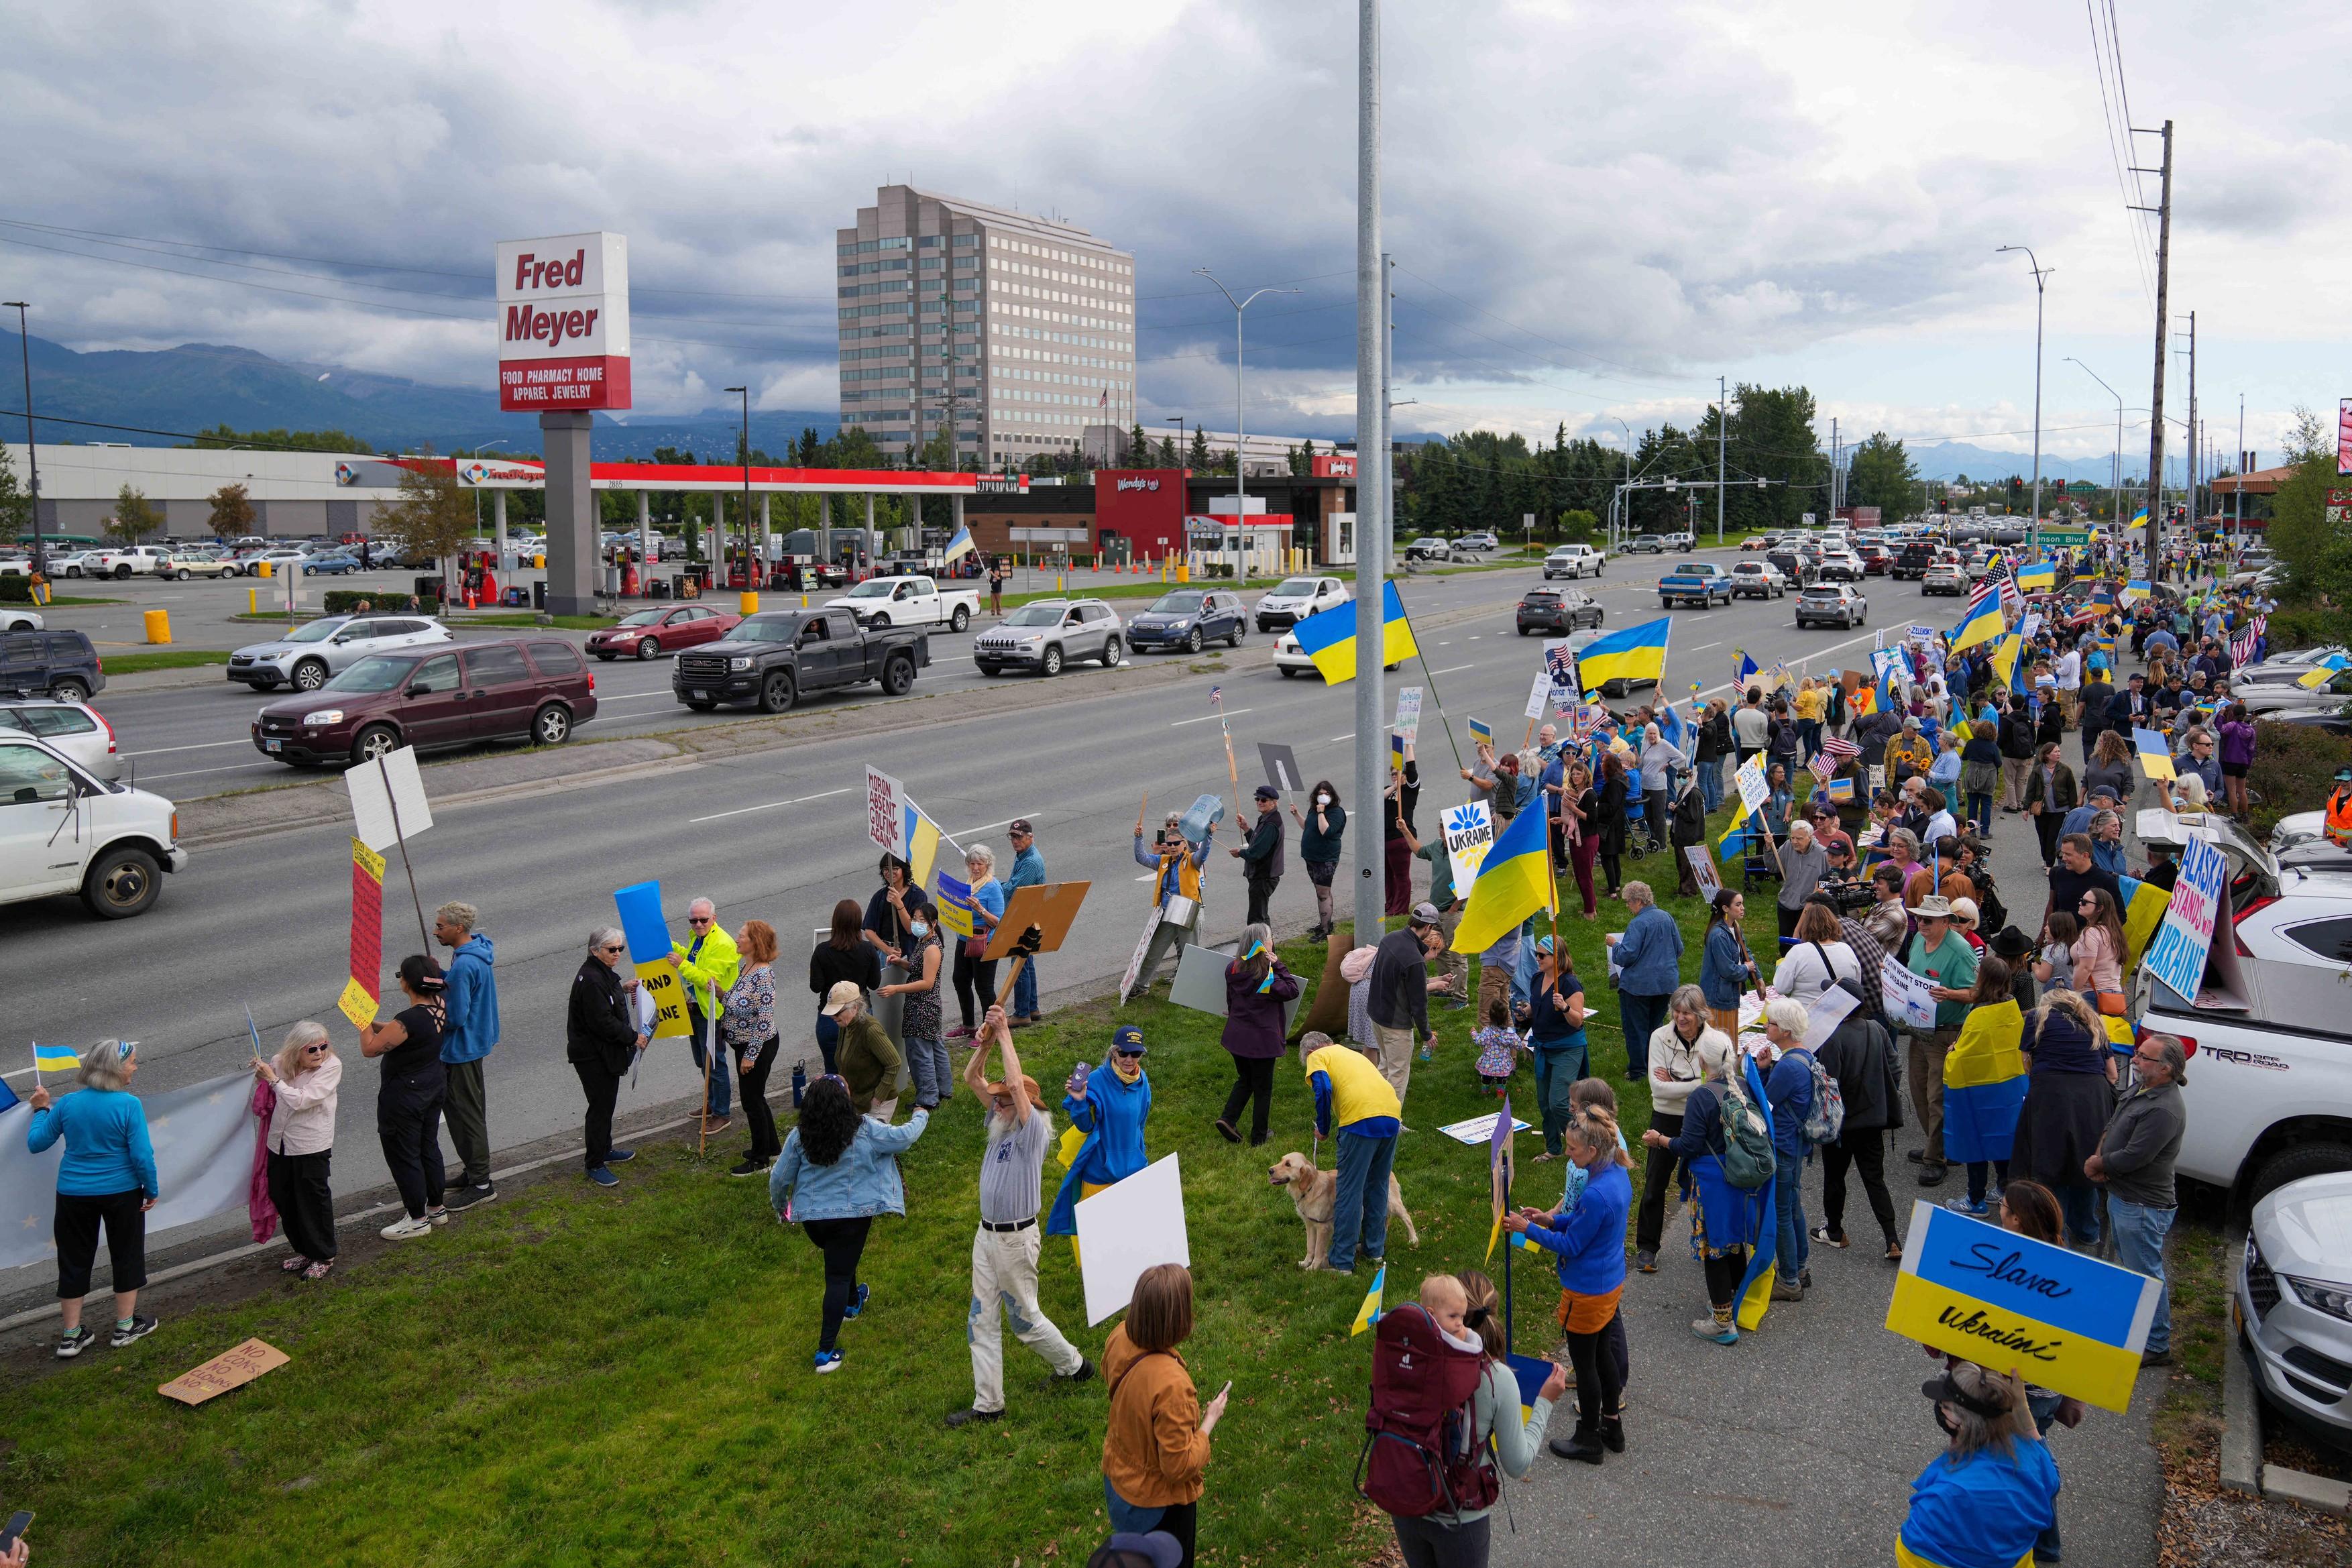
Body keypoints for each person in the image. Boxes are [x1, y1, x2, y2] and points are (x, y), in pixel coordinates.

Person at [948, 1005, 1091, 1429]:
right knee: (981, 1318)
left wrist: (1005, 1033)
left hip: (1015, 1240)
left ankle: (1075, 1365)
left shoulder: (1033, 1133)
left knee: (1024, 1320)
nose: (996, 1105)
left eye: (1005, 1101)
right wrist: (985, 1043)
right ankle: (988, 1405)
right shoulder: (1000, 1124)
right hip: (986, 1237)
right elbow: (972, 1078)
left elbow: (1013, 1083)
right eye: (997, 1101)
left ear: (1023, 1104)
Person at [1381, 1271, 1563, 1566]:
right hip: (1460, 1516)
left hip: (1406, 1500)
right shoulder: (1496, 1377)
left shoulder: (1409, 1356)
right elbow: (1517, 1464)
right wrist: (1545, 1402)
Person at [769, 1076, 930, 1374]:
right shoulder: (865, 1129)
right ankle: (825, 1353)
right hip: (852, 1218)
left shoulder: (799, 1136)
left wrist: (781, 1209)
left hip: (814, 1222)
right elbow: (904, 1137)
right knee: (837, 1277)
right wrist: (921, 1114)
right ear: (846, 1101)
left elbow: (779, 1178)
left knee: (840, 1260)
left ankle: (854, 1301)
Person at [1504, 1109, 1633, 1464]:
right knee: (1603, 1355)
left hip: (1587, 1291)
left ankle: (1589, 1438)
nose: (1568, 1153)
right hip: (1610, 1282)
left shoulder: (1596, 1194)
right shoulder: (1616, 1173)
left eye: (1573, 1149)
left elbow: (1573, 1245)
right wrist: (1551, 1219)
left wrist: (1529, 1229)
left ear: (1592, 1150)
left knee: (1586, 1365)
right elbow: (1584, 1224)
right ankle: (1612, 1426)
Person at [27, 1040, 160, 1357]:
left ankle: (71, 1336)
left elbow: (36, 1143)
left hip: (73, 1193)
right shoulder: (129, 1105)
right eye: (132, 1062)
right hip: (122, 1192)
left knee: (74, 1259)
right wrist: (151, 1189)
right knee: (126, 1254)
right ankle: (125, 1328)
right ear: (116, 1069)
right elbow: (142, 1155)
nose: (136, 1067)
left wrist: (41, 1110)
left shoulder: (68, 1104)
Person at [1101, 1264, 1225, 1567]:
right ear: (1178, 1318)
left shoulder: (1119, 1337)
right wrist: (1209, 1422)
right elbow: (1178, 1466)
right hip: (1156, 1506)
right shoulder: (1172, 1386)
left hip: (1119, 1484)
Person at [1642, 1051, 1766, 1344]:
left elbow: (1690, 1145)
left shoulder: (1702, 1095)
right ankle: (1735, 1300)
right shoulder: (1740, 1085)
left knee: (1715, 1248)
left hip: (1712, 1184)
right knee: (1733, 1242)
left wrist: (1660, 1140)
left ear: (1702, 1062)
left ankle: (1722, 1322)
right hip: (1738, 1176)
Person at [2089, 1033, 2188, 1367]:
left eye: (2144, 1057)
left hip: (2142, 1206)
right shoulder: (2142, 1088)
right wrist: (2101, 1157)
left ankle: (2157, 1345)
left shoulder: (2164, 1110)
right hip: (2123, 1196)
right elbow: (2113, 1122)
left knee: (2147, 1276)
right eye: (2138, 1053)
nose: (2135, 1059)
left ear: (2166, 1069)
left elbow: (2136, 1156)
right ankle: (2134, 1325)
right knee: (2133, 1269)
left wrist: (2099, 1165)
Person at [1899, 1364, 2061, 1568]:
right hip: (2013, 1559)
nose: (1940, 1408)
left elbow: (1919, 1531)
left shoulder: (1952, 1487)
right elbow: (2053, 1477)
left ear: (1964, 1421)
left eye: (1945, 1406)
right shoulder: (2032, 1455)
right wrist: (2022, 1410)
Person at [1634, 985, 1732, 1272]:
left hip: (1704, 1116)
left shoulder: (1717, 1040)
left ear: (1701, 1014)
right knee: (1655, 1183)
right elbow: (1658, 1089)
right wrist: (1701, 1083)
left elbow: (1727, 1079)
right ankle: (1647, 1247)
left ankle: (1716, 1243)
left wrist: (1677, 1081)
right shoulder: (1659, 1037)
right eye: (1676, 1011)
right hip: (1666, 1116)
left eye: (1687, 1012)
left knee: (1710, 1180)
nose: (1680, 1017)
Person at [2009, 987, 2115, 1248]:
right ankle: (2088, 1231)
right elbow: (2112, 1074)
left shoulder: (2038, 1017)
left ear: (2049, 1003)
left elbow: (2025, 1062)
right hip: (2092, 1099)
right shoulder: (2095, 1022)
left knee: (2050, 1165)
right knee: (2085, 1164)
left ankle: (2057, 1235)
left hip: (2051, 1097)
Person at [1811, 976, 1903, 1260]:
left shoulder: (1833, 1038)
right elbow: (1895, 1067)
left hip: (1842, 1126)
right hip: (1873, 1121)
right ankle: (1892, 1239)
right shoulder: (1877, 1029)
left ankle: (1835, 1231)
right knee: (1875, 1180)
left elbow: (1828, 1084)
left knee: (1835, 1178)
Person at [361, 954, 453, 1237]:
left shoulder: (409, 1019)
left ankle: (416, 1219)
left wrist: (361, 1022)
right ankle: (436, 1208)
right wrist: (375, 1023)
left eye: (400, 975)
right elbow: (398, 1032)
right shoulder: (439, 1005)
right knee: (428, 1147)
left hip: (405, 1096)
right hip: (432, 1087)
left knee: (404, 1155)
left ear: (408, 983)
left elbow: (370, 1049)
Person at [1049, 1025, 1156, 1258]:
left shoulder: (1142, 1081)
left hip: (1133, 1173)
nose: (1129, 1060)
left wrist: (1140, 1156)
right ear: (1114, 1052)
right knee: (1099, 1248)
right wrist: (1079, 1101)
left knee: (1130, 1245)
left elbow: (1140, 1125)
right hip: (1100, 1175)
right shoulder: (1096, 1080)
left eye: (1136, 1054)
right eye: (1124, 1053)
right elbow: (1085, 1126)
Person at [1304, 1032, 1403, 1271]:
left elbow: (1323, 1088)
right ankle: (1374, 1250)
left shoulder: (1317, 1056)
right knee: (1378, 1184)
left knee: (1349, 1188)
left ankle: (1341, 1261)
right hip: (1392, 1115)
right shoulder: (1350, 1054)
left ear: (1311, 1051)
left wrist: (1323, 1128)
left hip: (1360, 1119)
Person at [251, 1021, 341, 1280]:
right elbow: (268, 1087)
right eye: (312, 1049)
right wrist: (261, 1074)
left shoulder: (332, 1066)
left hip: (310, 1145)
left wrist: (273, 1080)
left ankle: (323, 1255)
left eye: (323, 1046)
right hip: (279, 1142)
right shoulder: (280, 1062)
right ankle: (304, 1250)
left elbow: (301, 1100)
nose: (319, 1053)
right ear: (296, 1049)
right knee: (283, 1197)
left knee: (313, 1201)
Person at [1901, 897, 1979, 1189]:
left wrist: (1950, 994)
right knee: (1919, 1089)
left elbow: (1976, 992)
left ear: (1946, 923)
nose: (1920, 924)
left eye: (1928, 920)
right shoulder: (1919, 941)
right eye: (1918, 918)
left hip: (1946, 1032)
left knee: (1937, 1097)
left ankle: (1936, 1159)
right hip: (1920, 1028)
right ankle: (1939, 1146)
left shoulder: (1961, 951)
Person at [567, 928, 649, 1188]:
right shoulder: (592, 980)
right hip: (593, 1056)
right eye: (611, 949)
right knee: (600, 1109)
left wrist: (622, 989)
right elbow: (602, 1022)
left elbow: (605, 1000)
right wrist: (633, 1037)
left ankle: (605, 1149)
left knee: (606, 1105)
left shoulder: (600, 973)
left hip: (601, 1053)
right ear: (595, 951)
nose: (617, 954)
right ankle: (594, 1163)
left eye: (620, 949)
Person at [433, 900, 500, 1211]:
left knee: (466, 1118)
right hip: (475, 1043)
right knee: (470, 1113)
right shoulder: (476, 951)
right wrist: (440, 975)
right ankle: (474, 1171)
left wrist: (427, 1017)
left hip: (461, 1049)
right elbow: (463, 987)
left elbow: (456, 1016)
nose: (436, 932)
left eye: (440, 927)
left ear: (458, 928)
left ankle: (482, 1184)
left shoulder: (463, 965)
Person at [1215, 923, 1299, 1146]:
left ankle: (1228, 1119)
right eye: (1271, 937)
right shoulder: (1267, 976)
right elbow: (1292, 990)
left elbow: (1231, 999)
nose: (1273, 940)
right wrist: (1278, 964)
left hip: (1236, 1037)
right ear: (1263, 944)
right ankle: (1259, 1136)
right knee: (1263, 1088)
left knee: (1246, 1079)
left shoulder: (1233, 968)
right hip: (1262, 1042)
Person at [1754, 1003, 1817, 1300]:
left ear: (1786, 1031)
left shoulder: (1789, 1067)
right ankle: (1800, 1268)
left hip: (1783, 1147)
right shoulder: (1805, 1057)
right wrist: (1767, 1069)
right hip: (1796, 1144)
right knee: (1792, 1207)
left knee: (1781, 1212)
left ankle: (1789, 1280)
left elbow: (1764, 1104)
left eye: (1771, 1023)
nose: (1766, 1026)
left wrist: (1761, 1073)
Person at [674, 896, 741, 1136]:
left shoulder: (722, 943)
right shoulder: (699, 938)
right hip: (696, 1008)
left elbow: (708, 980)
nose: (698, 925)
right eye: (693, 921)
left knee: (714, 1063)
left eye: (703, 920)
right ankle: (712, 1102)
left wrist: (680, 964)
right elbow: (693, 959)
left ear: (714, 918)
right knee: (702, 1062)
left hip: (712, 1013)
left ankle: (722, 1114)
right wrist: (669, 946)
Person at [1368, 906, 1448, 1104]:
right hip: (1396, 1025)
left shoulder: (1390, 939)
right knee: (1398, 1074)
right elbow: (1419, 1005)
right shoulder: (1415, 960)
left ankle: (1373, 1109)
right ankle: (1392, 1118)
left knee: (1385, 1066)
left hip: (1377, 1016)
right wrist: (1427, 1035)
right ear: (1428, 928)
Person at [723, 919, 783, 1175]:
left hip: (756, 1046)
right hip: (745, 1045)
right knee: (756, 1098)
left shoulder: (763, 974)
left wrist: (750, 1056)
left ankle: (760, 1161)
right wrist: (720, 994)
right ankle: (772, 1147)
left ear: (755, 942)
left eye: (742, 936)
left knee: (751, 1102)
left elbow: (764, 1018)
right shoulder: (746, 966)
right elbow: (740, 1002)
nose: (737, 940)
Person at [1133, 805, 1215, 992]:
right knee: (1154, 952)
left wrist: (1209, 836)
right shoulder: (1162, 861)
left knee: (1190, 955)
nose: (1172, 847)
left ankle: (1191, 991)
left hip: (1188, 911)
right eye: (1169, 844)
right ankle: (1141, 986)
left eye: (1176, 844)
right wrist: (1138, 838)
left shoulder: (1192, 861)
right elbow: (1141, 858)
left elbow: (1204, 854)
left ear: (1184, 844)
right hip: (1167, 912)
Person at [878, 896, 946, 1111]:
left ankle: (927, 1100)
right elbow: (917, 968)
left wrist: (896, 988)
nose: (916, 923)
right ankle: (943, 1089)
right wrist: (901, 962)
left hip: (922, 1008)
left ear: (933, 923)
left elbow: (927, 982)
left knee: (920, 1054)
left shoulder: (932, 948)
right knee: (934, 1048)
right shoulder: (923, 942)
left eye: (921, 920)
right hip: (924, 1007)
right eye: (914, 919)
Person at [1525, 937, 1589, 1160]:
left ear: (1557, 957)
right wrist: (1526, 1011)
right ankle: (1553, 1149)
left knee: (1559, 1103)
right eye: (1536, 954)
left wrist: (1565, 1007)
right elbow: (1537, 1004)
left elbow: (1577, 1021)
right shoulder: (1537, 978)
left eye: (1542, 955)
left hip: (1567, 1049)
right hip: (1543, 1048)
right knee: (1545, 1103)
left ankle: (1583, 1144)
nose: (1537, 958)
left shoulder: (1570, 985)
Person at [1610, 883, 1681, 1081]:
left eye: (1629, 902)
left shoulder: (1638, 924)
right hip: (1666, 984)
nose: (1628, 906)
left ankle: (1638, 1072)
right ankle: (1655, 1065)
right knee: (1655, 1027)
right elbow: (1679, 949)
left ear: (1639, 901)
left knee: (1636, 1029)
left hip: (1638, 987)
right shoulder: (1667, 917)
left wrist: (1615, 945)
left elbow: (1626, 956)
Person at [810, 898, 883, 1078]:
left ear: (835, 922)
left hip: (830, 1017)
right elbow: (874, 984)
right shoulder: (868, 950)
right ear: (858, 923)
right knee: (862, 1070)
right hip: (860, 1015)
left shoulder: (822, 951)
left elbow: (816, 986)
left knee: (832, 1070)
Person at [950, 844, 1007, 1041]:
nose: (975, 868)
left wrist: (980, 909)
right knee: (960, 980)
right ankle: (968, 1025)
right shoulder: (969, 883)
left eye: (980, 864)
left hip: (984, 943)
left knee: (984, 987)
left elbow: (998, 922)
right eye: (972, 863)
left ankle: (989, 1032)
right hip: (964, 939)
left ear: (988, 865)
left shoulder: (992, 887)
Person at [862, 852, 917, 1054]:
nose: (889, 873)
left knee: (905, 999)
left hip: (908, 953)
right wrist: (885, 949)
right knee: (883, 999)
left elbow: (911, 928)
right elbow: (868, 930)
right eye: (886, 869)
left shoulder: (916, 895)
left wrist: (899, 904)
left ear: (904, 870)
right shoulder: (879, 897)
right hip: (884, 955)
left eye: (894, 868)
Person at [826, 981, 903, 1119]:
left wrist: (878, 1098)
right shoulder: (846, 1025)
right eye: (832, 1012)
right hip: (859, 1100)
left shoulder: (871, 1030)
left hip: (878, 1103)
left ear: (855, 1008)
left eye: (837, 1012)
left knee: (870, 1134)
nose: (833, 1017)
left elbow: (894, 1064)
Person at [1771, 899, 1860, 1007]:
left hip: (1807, 1014)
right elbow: (1856, 983)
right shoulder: (1847, 949)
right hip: (1840, 1013)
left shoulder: (1798, 952)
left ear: (1806, 926)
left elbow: (1781, 988)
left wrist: (1782, 967)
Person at [1003, 818, 1048, 1025]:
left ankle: (1021, 1014)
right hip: (1028, 915)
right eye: (1012, 837)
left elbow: (1012, 890)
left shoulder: (1030, 862)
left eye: (1019, 837)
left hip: (1024, 917)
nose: (1015, 841)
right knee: (1026, 962)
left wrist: (990, 885)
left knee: (1018, 964)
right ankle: (1032, 1008)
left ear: (1030, 837)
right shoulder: (1023, 855)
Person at [1697, 889, 1756, 1039]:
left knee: (1730, 1040)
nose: (1742, 908)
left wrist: (1759, 979)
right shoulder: (1718, 935)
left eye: (1742, 904)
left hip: (1729, 995)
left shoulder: (1735, 927)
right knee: (1721, 1043)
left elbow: (1746, 952)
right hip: (1718, 999)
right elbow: (1728, 971)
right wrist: (1746, 968)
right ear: (1725, 908)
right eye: (1738, 904)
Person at [1292, 781, 1347, 938]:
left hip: (1325, 858)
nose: (1323, 796)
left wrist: (1321, 813)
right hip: (1311, 857)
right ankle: (1324, 922)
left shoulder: (1336, 813)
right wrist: (1296, 814)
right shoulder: (1314, 810)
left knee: (1323, 893)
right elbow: (1308, 826)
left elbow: (1326, 832)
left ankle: (1325, 929)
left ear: (1332, 796)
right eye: (1320, 794)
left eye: (1326, 794)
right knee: (1320, 891)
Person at [1230, 785, 1285, 926]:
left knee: (1256, 920)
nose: (1260, 802)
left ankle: (1261, 941)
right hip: (1262, 876)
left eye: (1264, 800)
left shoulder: (1271, 824)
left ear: (1274, 803)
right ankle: (1268, 941)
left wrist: (1240, 853)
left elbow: (1256, 853)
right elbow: (1258, 843)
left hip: (1264, 876)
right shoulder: (1267, 819)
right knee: (1261, 916)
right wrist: (1246, 828)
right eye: (1257, 799)